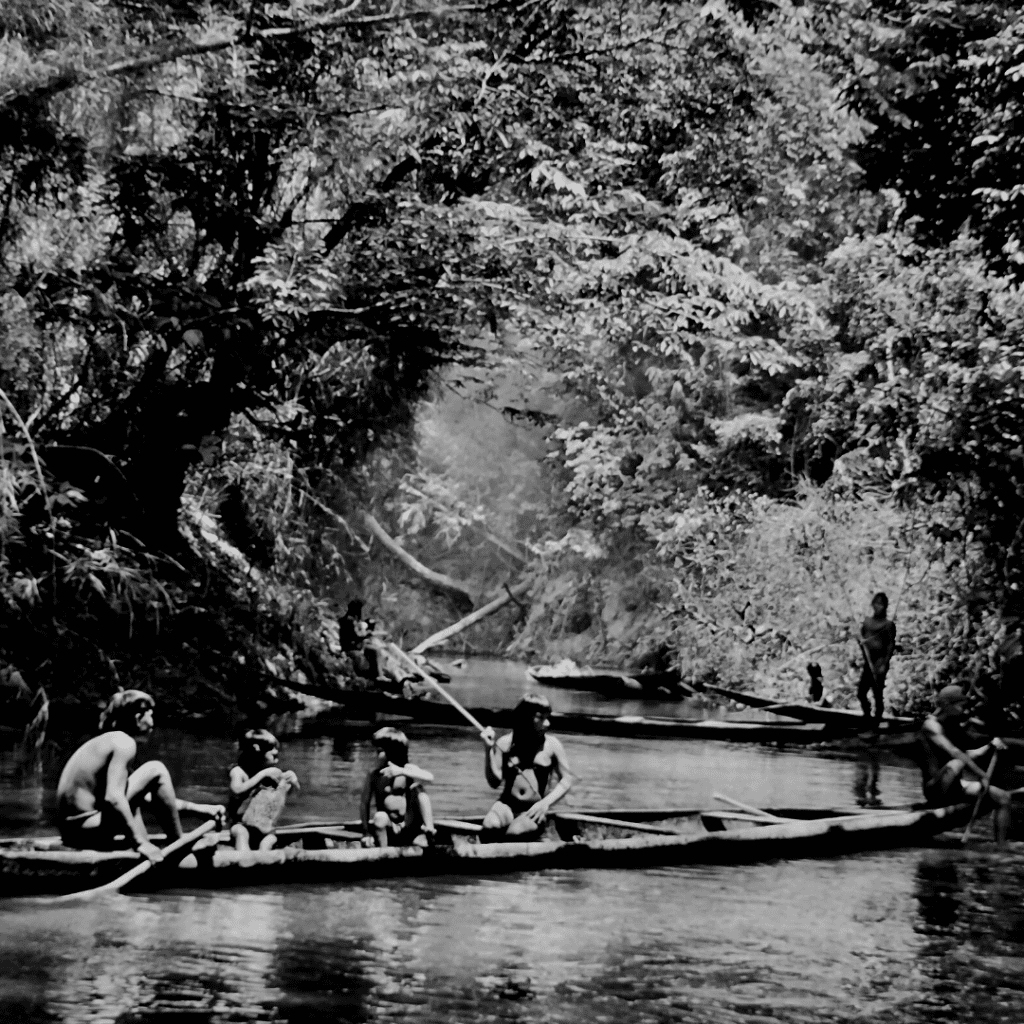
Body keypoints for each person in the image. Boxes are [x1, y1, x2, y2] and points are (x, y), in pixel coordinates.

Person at [56, 690, 224, 861]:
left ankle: (142, 848)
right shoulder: (124, 743)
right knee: (156, 769)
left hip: (72, 834)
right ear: (137, 717)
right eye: (150, 715)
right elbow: (114, 799)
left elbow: (151, 799)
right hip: (86, 832)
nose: (153, 723)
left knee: (132, 805)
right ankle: (179, 845)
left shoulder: (106, 741)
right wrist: (139, 844)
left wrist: (202, 810)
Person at [917, 684, 1021, 844]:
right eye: (961, 706)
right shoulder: (931, 726)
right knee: (956, 763)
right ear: (946, 705)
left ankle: (1000, 847)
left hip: (954, 785)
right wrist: (982, 775)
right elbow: (955, 753)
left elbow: (969, 754)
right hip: (935, 789)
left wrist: (990, 745)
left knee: (1003, 798)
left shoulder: (952, 725)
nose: (964, 711)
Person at [478, 693, 576, 841]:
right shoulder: (505, 743)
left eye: (547, 717)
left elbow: (567, 779)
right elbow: (494, 782)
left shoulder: (552, 745)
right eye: (541, 718)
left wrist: (545, 804)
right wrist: (488, 750)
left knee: (514, 833)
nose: (547, 723)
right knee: (490, 826)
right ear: (525, 717)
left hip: (533, 810)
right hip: (506, 806)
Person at [360, 727, 436, 848]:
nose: (376, 755)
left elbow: (430, 778)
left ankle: (429, 830)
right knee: (379, 817)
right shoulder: (374, 775)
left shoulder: (408, 769)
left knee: (419, 789)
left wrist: (401, 771)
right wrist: (366, 832)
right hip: (389, 825)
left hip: (409, 825)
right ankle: (383, 852)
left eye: (379, 751)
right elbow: (365, 804)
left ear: (393, 752)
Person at [227, 728, 300, 851]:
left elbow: (294, 794)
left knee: (270, 840)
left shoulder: (274, 774)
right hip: (241, 825)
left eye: (277, 748)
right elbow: (237, 791)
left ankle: (263, 862)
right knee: (241, 833)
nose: (276, 752)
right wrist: (261, 776)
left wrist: (294, 782)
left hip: (266, 829)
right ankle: (244, 861)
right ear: (256, 750)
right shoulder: (239, 772)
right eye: (271, 748)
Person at [858, 592, 897, 721]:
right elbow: (862, 640)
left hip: (880, 661)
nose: (878, 606)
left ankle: (877, 718)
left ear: (885, 606)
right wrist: (861, 643)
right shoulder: (867, 622)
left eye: (881, 604)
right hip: (868, 661)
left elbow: (890, 645)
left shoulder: (888, 625)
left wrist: (884, 664)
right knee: (861, 692)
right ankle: (867, 715)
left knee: (877, 692)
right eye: (876, 603)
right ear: (872, 604)